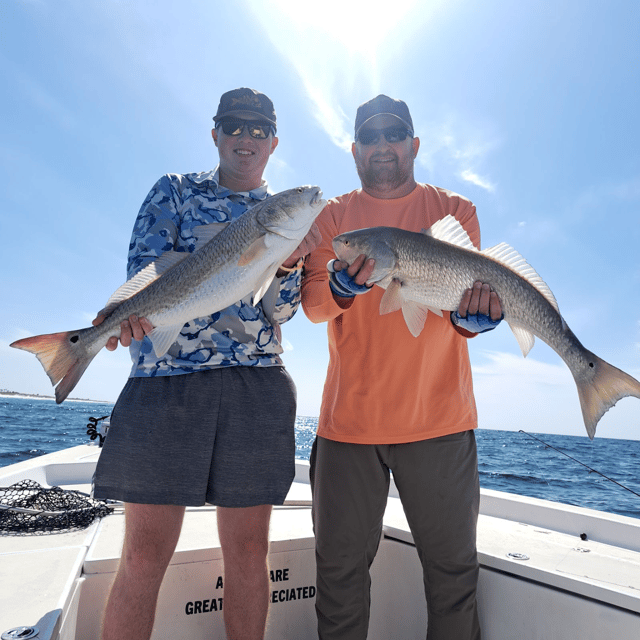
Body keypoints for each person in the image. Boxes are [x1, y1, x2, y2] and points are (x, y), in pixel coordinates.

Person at [91, 87, 320, 640]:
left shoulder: (294, 230)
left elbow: (280, 313)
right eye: (235, 126)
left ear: (273, 143)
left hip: (255, 387)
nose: (246, 139)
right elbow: (147, 271)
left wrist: (288, 266)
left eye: (259, 130)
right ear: (215, 134)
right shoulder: (174, 191)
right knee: (144, 553)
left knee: (246, 550)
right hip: (166, 382)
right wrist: (122, 314)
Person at [300, 94, 503, 640]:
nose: (382, 146)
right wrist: (341, 289)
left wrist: (473, 321)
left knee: (452, 578)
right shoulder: (333, 219)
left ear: (414, 144)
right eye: (370, 136)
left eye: (394, 135)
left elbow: (459, 313)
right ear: (354, 150)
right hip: (348, 428)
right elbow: (314, 305)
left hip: (439, 423)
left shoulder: (455, 211)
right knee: (338, 578)